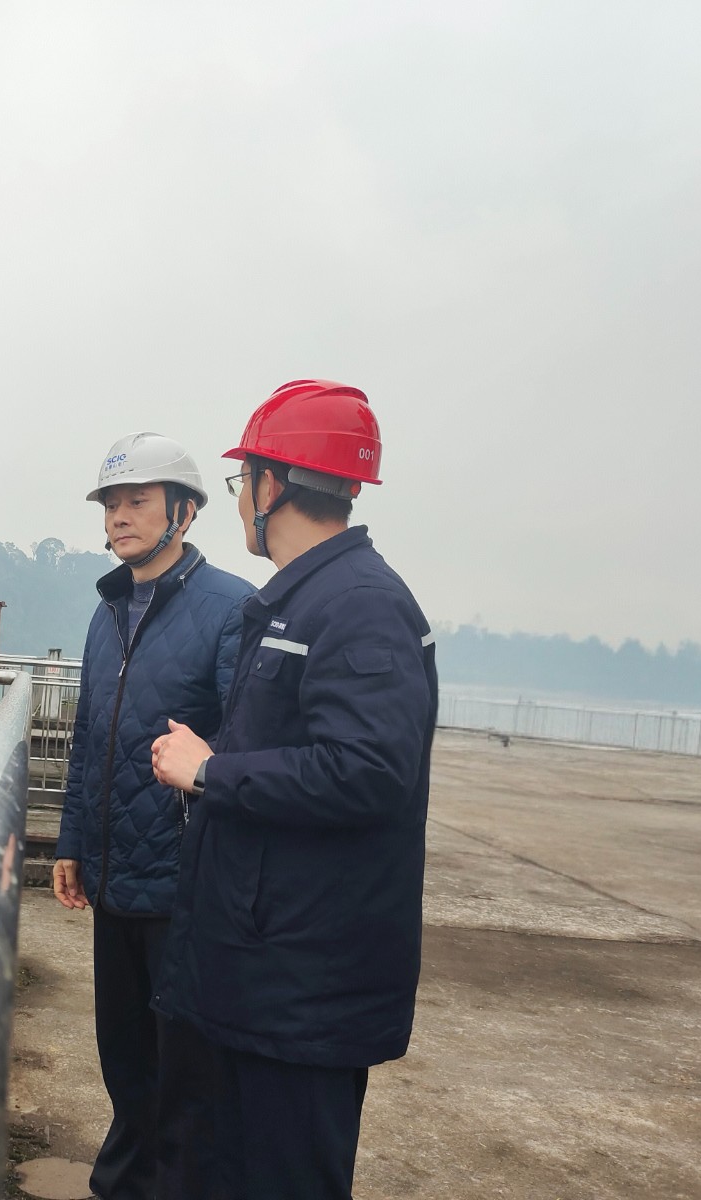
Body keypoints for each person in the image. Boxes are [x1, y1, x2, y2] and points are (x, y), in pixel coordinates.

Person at [150, 380, 438, 1199]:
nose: (242, 499)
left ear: (269, 484)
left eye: (242, 481)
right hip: (257, 973)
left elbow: (370, 769)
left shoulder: (359, 605)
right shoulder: (306, 599)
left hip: (301, 992)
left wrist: (212, 771)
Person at [53, 431, 254, 1200]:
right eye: (111, 503)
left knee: (185, 1070)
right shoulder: (107, 612)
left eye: (138, 501)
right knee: (125, 1058)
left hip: (182, 886)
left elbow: (245, 742)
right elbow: (88, 738)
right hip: (114, 877)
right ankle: (126, 1183)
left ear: (186, 512)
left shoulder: (230, 608)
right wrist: (72, 842)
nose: (119, 517)